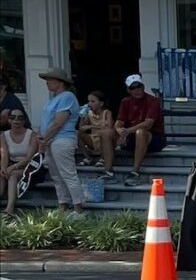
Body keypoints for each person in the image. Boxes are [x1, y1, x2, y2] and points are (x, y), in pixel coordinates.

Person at [36, 67, 86, 213]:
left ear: (60, 82)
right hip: (50, 140)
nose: (47, 82)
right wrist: (41, 137)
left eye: (50, 79)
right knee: (56, 175)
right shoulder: (52, 99)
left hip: (62, 139)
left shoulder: (67, 96)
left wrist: (44, 139)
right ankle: (63, 203)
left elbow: (59, 122)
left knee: (67, 173)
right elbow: (46, 121)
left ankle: (78, 207)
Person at [114, 74, 166, 184]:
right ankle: (107, 170)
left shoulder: (153, 101)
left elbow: (148, 124)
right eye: (133, 88)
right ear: (128, 90)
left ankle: (135, 172)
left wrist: (127, 131)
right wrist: (119, 130)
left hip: (154, 138)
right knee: (106, 133)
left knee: (141, 132)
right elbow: (119, 122)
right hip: (132, 136)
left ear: (143, 87)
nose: (137, 90)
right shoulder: (125, 102)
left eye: (139, 86)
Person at [2, 107, 41, 217]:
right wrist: (3, 168)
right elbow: (4, 155)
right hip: (13, 164)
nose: (16, 121)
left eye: (20, 118)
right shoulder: (3, 136)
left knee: (13, 175)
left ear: (24, 121)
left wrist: (12, 168)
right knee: (2, 175)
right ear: (9, 120)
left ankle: (9, 209)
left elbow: (29, 158)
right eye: (13, 117)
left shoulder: (32, 135)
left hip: (31, 167)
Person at [76, 91, 116, 178]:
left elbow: (109, 127)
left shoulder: (107, 112)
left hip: (105, 140)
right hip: (93, 139)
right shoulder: (89, 113)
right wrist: (82, 117)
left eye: (93, 101)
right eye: (89, 101)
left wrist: (91, 126)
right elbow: (82, 128)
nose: (90, 103)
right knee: (77, 133)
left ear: (101, 103)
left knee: (104, 134)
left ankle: (103, 159)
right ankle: (88, 158)